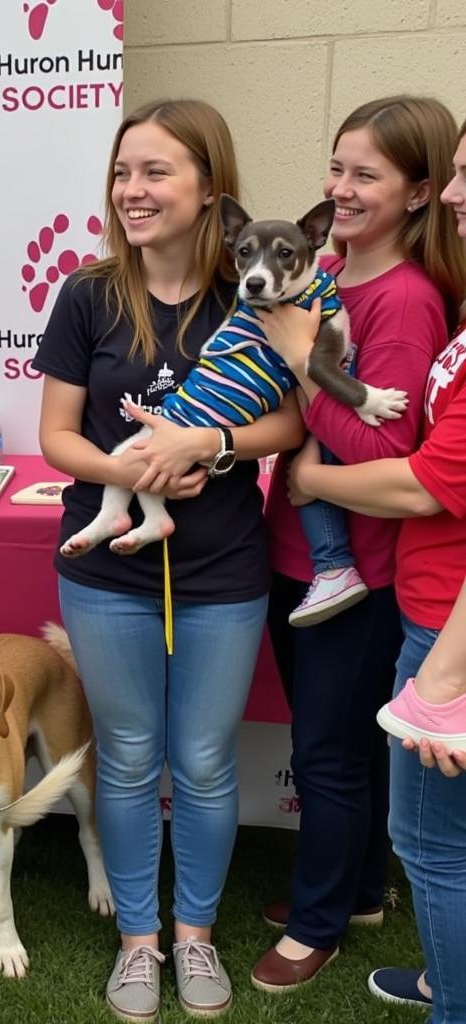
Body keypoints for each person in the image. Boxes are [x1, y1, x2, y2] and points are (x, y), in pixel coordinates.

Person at [34, 98, 305, 1021]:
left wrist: (210, 446)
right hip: (107, 567)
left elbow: (296, 419)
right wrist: (134, 466)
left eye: (155, 172)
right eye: (123, 172)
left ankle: (195, 937)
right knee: (129, 754)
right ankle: (138, 944)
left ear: (208, 190)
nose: (133, 190)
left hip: (225, 568)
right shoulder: (88, 294)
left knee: (202, 759)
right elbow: (57, 438)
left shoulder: (261, 288)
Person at [251, 95, 466, 992]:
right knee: (331, 748)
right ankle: (360, 888)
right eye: (335, 167)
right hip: (300, 556)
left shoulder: (406, 300)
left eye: (365, 175)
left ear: (419, 193)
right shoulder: (322, 272)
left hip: (364, 573)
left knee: (329, 756)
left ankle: (317, 923)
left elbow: (387, 452)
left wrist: (306, 364)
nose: (339, 189)